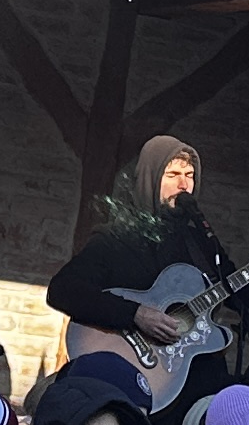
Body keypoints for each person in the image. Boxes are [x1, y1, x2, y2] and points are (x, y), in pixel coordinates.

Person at [44, 135, 224, 376]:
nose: (184, 185)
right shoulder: (117, 238)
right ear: (151, 180)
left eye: (189, 175)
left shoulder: (198, 241)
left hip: (188, 373)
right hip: (125, 368)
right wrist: (134, 314)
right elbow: (63, 290)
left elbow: (245, 295)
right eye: (173, 175)